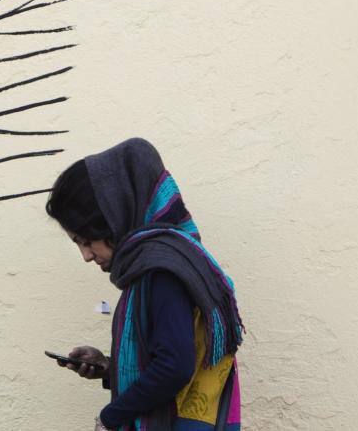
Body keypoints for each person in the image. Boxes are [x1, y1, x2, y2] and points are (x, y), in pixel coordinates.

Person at [45, 138, 243, 430]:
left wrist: (110, 417)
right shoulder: (163, 262)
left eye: (87, 240)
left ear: (113, 219)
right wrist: (109, 368)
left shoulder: (161, 269)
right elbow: (177, 357)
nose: (86, 256)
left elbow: (175, 367)